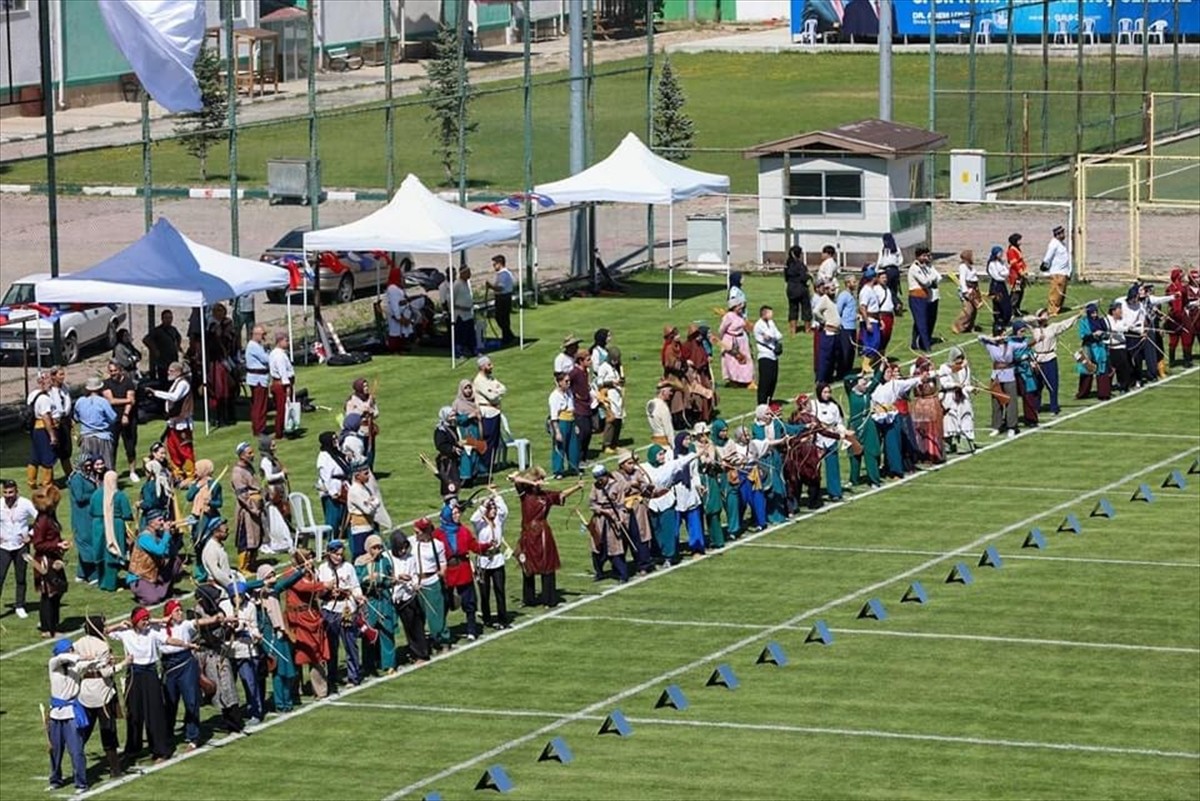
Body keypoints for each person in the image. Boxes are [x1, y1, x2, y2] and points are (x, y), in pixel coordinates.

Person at [106, 607, 173, 762]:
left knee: (154, 712)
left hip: (150, 674)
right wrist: (118, 625)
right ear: (135, 621)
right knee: (134, 712)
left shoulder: (152, 632)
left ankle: (160, 750)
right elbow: (104, 631)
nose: (146, 622)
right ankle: (133, 748)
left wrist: (187, 645)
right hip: (134, 674)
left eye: (147, 619)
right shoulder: (126, 633)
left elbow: (168, 640)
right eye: (143, 619)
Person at [511, 468, 581, 607]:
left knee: (547, 566)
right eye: (539, 479)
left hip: (542, 533)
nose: (541, 482)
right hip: (528, 533)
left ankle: (549, 599)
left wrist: (577, 487)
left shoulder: (546, 496)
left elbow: (561, 494)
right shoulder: (524, 492)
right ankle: (529, 599)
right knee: (527, 565)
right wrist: (532, 482)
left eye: (542, 479)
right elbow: (515, 479)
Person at [74, 616, 124, 777]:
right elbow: (106, 672)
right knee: (108, 730)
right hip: (102, 693)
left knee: (83, 731)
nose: (105, 628)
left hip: (85, 691)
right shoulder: (102, 645)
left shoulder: (77, 643)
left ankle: (77, 767)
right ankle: (115, 769)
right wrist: (125, 663)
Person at [46, 639, 98, 792]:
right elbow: (63, 658)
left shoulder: (76, 666)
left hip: (71, 713)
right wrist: (82, 657)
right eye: (70, 650)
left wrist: (100, 660)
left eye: (72, 650)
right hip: (56, 714)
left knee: (76, 751)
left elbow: (92, 664)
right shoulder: (54, 664)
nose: (72, 652)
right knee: (55, 750)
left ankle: (81, 783)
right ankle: (55, 779)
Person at [252, 562, 302, 711]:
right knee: (277, 670)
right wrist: (263, 582)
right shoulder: (255, 595)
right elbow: (246, 586)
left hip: (279, 632)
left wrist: (300, 571)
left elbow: (288, 582)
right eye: (269, 575)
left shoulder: (274, 590)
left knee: (286, 669)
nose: (273, 578)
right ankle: (280, 703)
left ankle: (287, 701)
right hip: (267, 634)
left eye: (274, 574)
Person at [283, 548, 332, 699]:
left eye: (311, 557)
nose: (310, 561)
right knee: (296, 654)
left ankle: (320, 690)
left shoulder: (311, 573)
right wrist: (323, 585)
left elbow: (315, 591)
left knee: (315, 653)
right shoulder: (290, 573)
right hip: (296, 619)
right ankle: (295, 690)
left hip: (311, 615)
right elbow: (301, 586)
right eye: (307, 558)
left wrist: (328, 589)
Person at [316, 540, 364, 693]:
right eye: (336, 554)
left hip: (346, 609)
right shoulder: (322, 568)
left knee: (350, 644)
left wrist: (359, 596)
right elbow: (318, 592)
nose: (339, 557)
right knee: (331, 646)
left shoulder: (348, 567)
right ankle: (331, 676)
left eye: (341, 554)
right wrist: (328, 591)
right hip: (329, 610)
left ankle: (353, 676)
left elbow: (355, 585)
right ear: (329, 553)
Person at [434, 502, 484, 642]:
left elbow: (474, 546)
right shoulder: (438, 534)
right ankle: (440, 632)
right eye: (454, 513)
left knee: (469, 602)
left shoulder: (463, 531)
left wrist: (486, 546)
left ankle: (471, 630)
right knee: (444, 603)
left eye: (458, 513)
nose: (457, 515)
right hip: (448, 572)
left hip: (463, 570)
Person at [870, 360, 928, 478]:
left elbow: (910, 382)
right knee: (874, 446)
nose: (889, 374)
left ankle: (895, 470)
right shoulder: (873, 384)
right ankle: (876, 471)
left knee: (893, 444)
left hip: (891, 417)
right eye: (887, 372)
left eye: (891, 372)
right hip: (876, 417)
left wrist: (921, 378)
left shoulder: (895, 384)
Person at [354, 533, 397, 675]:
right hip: (369, 601)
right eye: (374, 547)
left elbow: (388, 579)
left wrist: (393, 581)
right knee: (369, 634)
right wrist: (367, 578)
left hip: (383, 599)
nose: (378, 550)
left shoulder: (384, 561)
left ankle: (389, 663)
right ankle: (369, 665)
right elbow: (356, 581)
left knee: (387, 631)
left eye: (379, 547)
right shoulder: (360, 562)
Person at [30, 484, 69, 637]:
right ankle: (49, 628)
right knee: (49, 594)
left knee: (57, 591)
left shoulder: (50, 516)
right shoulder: (42, 520)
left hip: (54, 558)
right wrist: (57, 544)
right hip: (45, 561)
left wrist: (61, 544)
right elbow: (38, 544)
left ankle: (51, 624)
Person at [1026, 308, 1080, 415]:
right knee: (1037, 385)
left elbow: (1065, 324)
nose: (1046, 317)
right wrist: (1038, 318)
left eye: (1047, 315)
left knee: (1052, 385)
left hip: (1050, 358)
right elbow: (1024, 319)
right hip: (1037, 359)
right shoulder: (1034, 327)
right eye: (1044, 315)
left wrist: (1077, 316)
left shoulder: (1053, 327)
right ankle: (1036, 407)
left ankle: (1054, 407)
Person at [471, 491, 511, 628]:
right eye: (491, 509)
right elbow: (474, 518)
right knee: (484, 592)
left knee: (500, 590)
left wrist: (496, 496)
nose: (493, 511)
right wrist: (485, 504)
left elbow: (504, 510)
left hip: (497, 560)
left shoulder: (499, 521)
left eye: (494, 509)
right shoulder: (480, 523)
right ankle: (487, 617)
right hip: (483, 561)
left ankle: (502, 618)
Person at [126, 508, 182, 606]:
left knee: (175, 561)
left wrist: (172, 537)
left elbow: (170, 553)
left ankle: (164, 590)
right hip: (140, 577)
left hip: (152, 574)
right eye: (159, 520)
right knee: (153, 599)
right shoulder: (144, 537)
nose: (162, 522)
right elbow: (159, 551)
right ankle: (149, 593)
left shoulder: (157, 535)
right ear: (151, 523)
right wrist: (166, 533)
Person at [389, 532, 430, 664]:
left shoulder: (411, 558)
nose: (403, 551)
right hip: (392, 597)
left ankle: (420, 653)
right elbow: (385, 576)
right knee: (389, 628)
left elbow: (414, 574)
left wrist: (415, 583)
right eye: (400, 548)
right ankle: (386, 659)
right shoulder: (387, 557)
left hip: (407, 596)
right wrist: (397, 578)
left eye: (405, 548)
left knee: (414, 626)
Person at [150, 361, 195, 481]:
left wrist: (156, 393)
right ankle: (178, 473)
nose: (168, 373)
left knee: (184, 449)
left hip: (182, 422)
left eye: (171, 371)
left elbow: (174, 397)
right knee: (172, 448)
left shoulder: (183, 384)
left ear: (179, 372)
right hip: (173, 421)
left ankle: (190, 474)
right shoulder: (176, 382)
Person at [88, 470, 132, 593]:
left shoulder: (96, 494)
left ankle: (102, 583)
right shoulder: (119, 495)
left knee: (100, 553)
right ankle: (112, 584)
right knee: (113, 553)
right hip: (115, 525)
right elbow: (127, 513)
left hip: (97, 525)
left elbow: (91, 510)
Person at [412, 518, 450, 650]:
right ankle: (424, 641)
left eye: (418, 532)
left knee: (436, 613)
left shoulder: (437, 545)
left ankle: (442, 639)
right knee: (419, 614)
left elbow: (443, 562)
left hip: (432, 581)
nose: (415, 535)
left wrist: (442, 572)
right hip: (416, 582)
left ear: (426, 532)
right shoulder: (412, 542)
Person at [2, 479, 37, 619]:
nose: (8, 495)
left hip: (21, 546)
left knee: (20, 577)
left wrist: (31, 535)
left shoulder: (25, 504)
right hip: (3, 547)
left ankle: (20, 605)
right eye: (5, 492)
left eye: (11, 492)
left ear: (17, 491)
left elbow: (40, 518)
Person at [588, 464, 630, 581]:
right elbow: (592, 503)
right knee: (597, 547)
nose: (599, 480)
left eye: (601, 477)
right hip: (600, 520)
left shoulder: (617, 486)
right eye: (597, 478)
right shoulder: (595, 486)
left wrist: (620, 517)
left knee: (615, 548)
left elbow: (621, 504)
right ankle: (599, 572)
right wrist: (601, 510)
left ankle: (622, 574)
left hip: (613, 519)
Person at [980, 324, 1022, 438]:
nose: (1003, 335)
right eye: (1000, 333)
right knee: (996, 402)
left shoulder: (1011, 344)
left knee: (1011, 401)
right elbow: (980, 337)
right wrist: (993, 339)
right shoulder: (990, 345)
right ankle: (996, 426)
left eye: (1003, 333)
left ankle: (1012, 427)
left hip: (1009, 375)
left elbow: (1023, 344)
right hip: (996, 376)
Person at [231, 442, 265, 572]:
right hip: (246, 511)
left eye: (252, 452)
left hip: (256, 507)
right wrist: (253, 508)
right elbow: (242, 495)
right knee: (246, 538)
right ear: (241, 455)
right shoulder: (237, 473)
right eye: (249, 453)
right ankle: (243, 566)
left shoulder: (249, 468)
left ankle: (252, 563)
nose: (252, 455)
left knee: (257, 536)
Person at [844, 371, 881, 488]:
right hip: (854, 425)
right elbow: (846, 378)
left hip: (868, 424)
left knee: (870, 452)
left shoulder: (867, 392)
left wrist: (882, 367)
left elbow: (876, 381)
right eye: (863, 383)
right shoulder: (851, 393)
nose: (865, 385)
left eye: (866, 384)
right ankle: (853, 479)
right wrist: (858, 376)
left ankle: (874, 480)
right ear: (856, 385)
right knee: (854, 453)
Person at [811, 384, 846, 501]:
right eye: (824, 392)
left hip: (831, 440)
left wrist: (842, 432)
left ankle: (835, 492)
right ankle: (814, 495)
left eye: (828, 392)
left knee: (833, 467)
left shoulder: (834, 407)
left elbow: (839, 422)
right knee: (814, 468)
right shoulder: (813, 405)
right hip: (817, 441)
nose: (827, 395)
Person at [938, 347, 976, 454]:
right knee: (949, 421)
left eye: (961, 358)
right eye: (957, 358)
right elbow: (944, 383)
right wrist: (955, 384)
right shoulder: (944, 368)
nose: (959, 360)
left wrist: (972, 389)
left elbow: (966, 384)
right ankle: (948, 445)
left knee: (966, 418)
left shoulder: (965, 368)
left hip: (962, 398)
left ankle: (964, 445)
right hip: (950, 398)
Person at [259, 436, 294, 554]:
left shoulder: (272, 459)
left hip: (279, 490)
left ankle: (285, 540)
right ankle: (278, 542)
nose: (275, 448)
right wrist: (281, 474)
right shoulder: (265, 461)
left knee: (283, 515)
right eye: (272, 445)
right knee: (275, 519)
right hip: (272, 492)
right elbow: (268, 477)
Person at [74, 377, 117, 470]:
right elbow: (113, 418)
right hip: (102, 436)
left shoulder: (80, 401)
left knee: (87, 465)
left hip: (86, 437)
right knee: (106, 464)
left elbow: (76, 417)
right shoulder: (103, 401)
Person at [473, 356, 507, 473]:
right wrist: (496, 391)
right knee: (487, 441)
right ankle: (484, 466)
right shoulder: (479, 381)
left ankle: (490, 465)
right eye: (489, 365)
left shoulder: (490, 378)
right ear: (482, 367)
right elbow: (492, 396)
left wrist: (496, 391)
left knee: (495, 441)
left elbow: (503, 388)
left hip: (495, 412)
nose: (491, 366)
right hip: (487, 413)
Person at [908, 356, 945, 464]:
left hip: (932, 404)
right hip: (921, 405)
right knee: (922, 430)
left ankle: (934, 454)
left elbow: (939, 379)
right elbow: (918, 384)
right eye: (927, 365)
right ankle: (923, 455)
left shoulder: (931, 375)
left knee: (933, 430)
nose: (930, 367)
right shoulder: (917, 377)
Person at [26, 372, 58, 490]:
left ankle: (31, 481)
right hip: (43, 428)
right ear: (43, 381)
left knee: (35, 456)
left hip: (35, 428)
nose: (51, 382)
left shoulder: (32, 394)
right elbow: (46, 417)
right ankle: (47, 484)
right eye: (49, 380)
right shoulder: (44, 398)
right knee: (47, 457)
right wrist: (52, 435)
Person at [1075, 303, 1112, 401]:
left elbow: (1107, 334)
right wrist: (1093, 334)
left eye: (1096, 312)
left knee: (1102, 369)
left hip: (1100, 347)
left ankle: (1104, 393)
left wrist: (1103, 333)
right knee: (1087, 369)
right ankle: (1083, 393)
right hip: (1088, 347)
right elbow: (1083, 335)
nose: (1094, 315)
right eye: (1092, 313)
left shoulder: (1101, 321)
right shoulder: (1084, 322)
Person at [451, 379, 485, 484]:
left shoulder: (474, 401)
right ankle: (465, 477)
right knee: (467, 453)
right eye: (466, 388)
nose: (468, 390)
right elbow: (455, 419)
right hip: (465, 431)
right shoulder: (457, 403)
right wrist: (469, 416)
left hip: (475, 430)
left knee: (476, 452)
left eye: (470, 387)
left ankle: (475, 474)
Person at [186, 458, 223, 554]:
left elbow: (219, 503)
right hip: (196, 515)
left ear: (204, 470)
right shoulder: (196, 483)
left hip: (207, 516)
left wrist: (210, 502)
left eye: (197, 469)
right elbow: (189, 497)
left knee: (204, 539)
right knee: (196, 540)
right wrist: (197, 486)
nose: (196, 471)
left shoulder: (214, 485)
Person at [346, 462, 381, 559]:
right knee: (361, 556)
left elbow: (375, 500)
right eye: (365, 473)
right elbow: (368, 510)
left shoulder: (364, 488)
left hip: (369, 526)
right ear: (357, 475)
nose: (369, 476)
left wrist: (372, 502)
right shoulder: (354, 491)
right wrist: (374, 503)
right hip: (360, 529)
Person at [907, 246, 939, 352]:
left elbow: (934, 277)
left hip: (924, 296)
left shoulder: (924, 266)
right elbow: (925, 282)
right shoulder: (915, 268)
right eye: (923, 255)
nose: (925, 258)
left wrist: (932, 278)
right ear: (918, 256)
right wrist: (932, 278)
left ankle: (914, 343)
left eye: (926, 255)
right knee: (922, 322)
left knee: (919, 321)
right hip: (916, 297)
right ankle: (926, 345)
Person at [317, 432, 349, 534]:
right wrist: (332, 491)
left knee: (342, 513)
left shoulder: (336, 453)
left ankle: (341, 532)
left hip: (342, 485)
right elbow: (325, 476)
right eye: (333, 439)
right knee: (333, 516)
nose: (336, 441)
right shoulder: (323, 457)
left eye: (336, 438)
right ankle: (331, 537)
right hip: (332, 488)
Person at [718, 299, 755, 388]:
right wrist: (724, 342)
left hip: (742, 339)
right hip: (731, 340)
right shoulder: (728, 316)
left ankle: (749, 380)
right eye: (738, 306)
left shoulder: (741, 316)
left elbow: (746, 326)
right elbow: (721, 330)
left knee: (746, 359)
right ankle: (733, 380)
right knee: (732, 362)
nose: (741, 308)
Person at [596, 345, 626, 454]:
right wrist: (611, 383)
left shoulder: (618, 367)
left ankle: (614, 443)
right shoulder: (603, 367)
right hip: (609, 395)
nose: (616, 361)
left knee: (618, 420)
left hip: (618, 395)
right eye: (614, 359)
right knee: (611, 420)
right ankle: (606, 444)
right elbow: (598, 383)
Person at [344, 378, 380, 469]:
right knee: (360, 450)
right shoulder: (351, 401)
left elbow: (376, 413)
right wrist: (361, 411)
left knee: (370, 451)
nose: (366, 388)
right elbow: (350, 417)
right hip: (358, 430)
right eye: (364, 386)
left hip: (370, 429)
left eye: (367, 385)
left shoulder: (370, 398)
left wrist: (372, 412)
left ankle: (370, 470)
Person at [547, 373, 577, 478]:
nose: (568, 383)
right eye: (566, 381)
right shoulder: (554, 396)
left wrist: (575, 424)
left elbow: (572, 409)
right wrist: (557, 432)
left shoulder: (569, 393)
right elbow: (554, 417)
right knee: (560, 447)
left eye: (569, 381)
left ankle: (573, 467)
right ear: (559, 382)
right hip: (561, 422)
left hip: (571, 420)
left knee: (573, 446)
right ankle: (558, 470)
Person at [753, 305, 784, 404]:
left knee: (773, 379)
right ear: (764, 314)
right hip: (764, 355)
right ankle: (761, 402)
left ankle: (769, 400)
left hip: (773, 354)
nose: (772, 315)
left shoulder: (771, 323)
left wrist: (771, 336)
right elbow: (771, 335)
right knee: (765, 380)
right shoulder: (759, 325)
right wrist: (771, 336)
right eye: (770, 313)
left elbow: (778, 335)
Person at [569, 350, 596, 464]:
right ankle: (578, 458)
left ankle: (584, 457)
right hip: (579, 407)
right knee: (583, 433)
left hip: (587, 405)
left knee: (589, 432)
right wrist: (574, 395)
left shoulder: (586, 371)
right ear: (581, 361)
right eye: (588, 359)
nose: (590, 361)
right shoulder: (575, 372)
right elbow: (566, 383)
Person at [244, 325, 270, 437]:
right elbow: (266, 359)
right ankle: (259, 429)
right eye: (263, 335)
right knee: (259, 405)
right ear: (256, 334)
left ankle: (260, 427)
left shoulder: (257, 345)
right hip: (258, 379)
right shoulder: (253, 346)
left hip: (260, 378)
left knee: (260, 404)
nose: (264, 337)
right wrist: (269, 353)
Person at [142, 309, 181, 384]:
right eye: (166, 318)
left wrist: (177, 347)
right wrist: (155, 350)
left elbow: (178, 337)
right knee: (163, 381)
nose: (168, 320)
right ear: (162, 319)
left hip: (173, 359)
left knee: (173, 381)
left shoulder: (173, 329)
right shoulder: (158, 330)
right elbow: (146, 339)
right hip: (163, 361)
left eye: (170, 318)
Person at [434, 407, 465, 499]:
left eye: (453, 415)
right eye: (451, 416)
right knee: (450, 482)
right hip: (446, 461)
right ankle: (449, 503)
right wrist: (453, 449)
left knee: (456, 480)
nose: (453, 418)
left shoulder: (452, 426)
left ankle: (454, 500)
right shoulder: (440, 430)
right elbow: (440, 445)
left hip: (453, 459)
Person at [269, 332, 295, 440]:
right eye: (286, 340)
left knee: (282, 408)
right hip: (281, 385)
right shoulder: (279, 356)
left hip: (277, 384)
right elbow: (282, 371)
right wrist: (287, 386)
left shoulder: (274, 353)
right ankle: (280, 432)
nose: (288, 343)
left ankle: (285, 428)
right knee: (282, 409)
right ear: (280, 342)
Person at [486, 254, 516, 344]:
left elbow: (500, 288)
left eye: (495, 264)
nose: (493, 266)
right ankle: (507, 337)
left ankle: (509, 336)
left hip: (503, 298)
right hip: (504, 297)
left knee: (501, 318)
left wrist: (491, 286)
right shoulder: (504, 273)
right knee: (503, 318)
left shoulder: (503, 274)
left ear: (500, 263)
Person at [856, 272, 883, 369]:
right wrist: (867, 322)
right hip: (870, 319)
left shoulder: (872, 290)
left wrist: (880, 320)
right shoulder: (866, 291)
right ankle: (866, 363)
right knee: (872, 342)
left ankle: (871, 363)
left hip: (875, 319)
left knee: (877, 342)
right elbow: (863, 307)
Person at [1043, 224, 1072, 315]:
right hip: (1057, 272)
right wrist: (1045, 264)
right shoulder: (1054, 244)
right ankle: (1052, 310)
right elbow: (1048, 256)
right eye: (1062, 233)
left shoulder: (1061, 244)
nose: (1064, 235)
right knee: (1055, 292)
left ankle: (1058, 308)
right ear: (1058, 234)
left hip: (1063, 272)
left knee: (1061, 293)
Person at [951, 250, 982, 335]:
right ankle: (958, 326)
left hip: (974, 288)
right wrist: (965, 291)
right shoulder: (963, 267)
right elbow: (962, 279)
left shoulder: (971, 266)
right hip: (968, 289)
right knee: (968, 310)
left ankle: (970, 327)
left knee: (974, 309)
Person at [385, 265, 415, 352]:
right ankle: (395, 349)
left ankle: (402, 347)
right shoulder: (392, 288)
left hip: (403, 311)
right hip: (396, 313)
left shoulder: (398, 287)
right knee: (395, 331)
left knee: (402, 331)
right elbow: (394, 303)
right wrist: (398, 317)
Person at [835, 277, 860, 379]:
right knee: (845, 351)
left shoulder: (852, 295)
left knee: (851, 351)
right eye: (854, 282)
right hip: (846, 327)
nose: (856, 283)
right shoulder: (843, 295)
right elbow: (838, 310)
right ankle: (842, 373)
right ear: (847, 283)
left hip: (853, 326)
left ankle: (849, 371)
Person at [783, 245, 812, 335]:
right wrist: (809, 275)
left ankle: (793, 330)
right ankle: (807, 329)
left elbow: (786, 278)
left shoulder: (787, 265)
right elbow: (804, 277)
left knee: (793, 308)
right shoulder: (800, 265)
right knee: (806, 308)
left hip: (791, 288)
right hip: (801, 288)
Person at [452, 266, 479, 358]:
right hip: (460, 314)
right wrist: (459, 307)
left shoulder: (467, 283)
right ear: (462, 273)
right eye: (468, 272)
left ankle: (474, 351)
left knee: (471, 334)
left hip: (469, 313)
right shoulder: (457, 284)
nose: (470, 274)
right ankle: (459, 352)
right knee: (460, 335)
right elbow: (451, 300)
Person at [986, 245, 1011, 330]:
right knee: (999, 303)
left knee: (1006, 303)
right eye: (999, 253)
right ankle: (999, 320)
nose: (1001, 254)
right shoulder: (992, 264)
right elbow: (996, 276)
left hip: (1002, 285)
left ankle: (1006, 319)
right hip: (996, 286)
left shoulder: (1001, 262)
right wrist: (1003, 275)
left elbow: (1007, 271)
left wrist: (1003, 274)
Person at [646, 380, 676, 449]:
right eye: (670, 391)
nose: (671, 393)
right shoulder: (663, 407)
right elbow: (668, 429)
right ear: (663, 392)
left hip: (655, 440)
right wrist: (673, 446)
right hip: (664, 443)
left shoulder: (650, 403)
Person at [1006, 233, 1029, 316]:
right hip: (1016, 275)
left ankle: (1017, 308)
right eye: (1019, 240)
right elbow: (1014, 264)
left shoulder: (1017, 249)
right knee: (1016, 292)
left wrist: (1025, 269)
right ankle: (1011, 310)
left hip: (1020, 274)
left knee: (1020, 292)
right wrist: (1021, 272)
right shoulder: (1011, 250)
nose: (1020, 242)